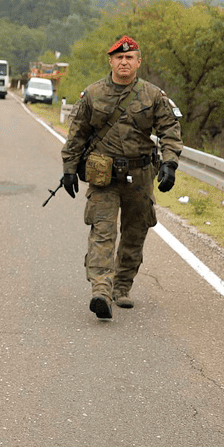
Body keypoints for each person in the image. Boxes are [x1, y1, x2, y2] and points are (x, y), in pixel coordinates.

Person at [59, 35, 182, 320]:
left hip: (140, 176)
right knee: (103, 232)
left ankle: (122, 287)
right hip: (103, 176)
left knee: (135, 232)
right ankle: (101, 290)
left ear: (139, 62)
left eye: (130, 57)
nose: (124, 61)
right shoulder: (92, 94)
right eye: (119, 57)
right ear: (111, 61)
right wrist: (68, 168)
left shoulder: (153, 96)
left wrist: (170, 164)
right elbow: (76, 134)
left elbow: (170, 131)